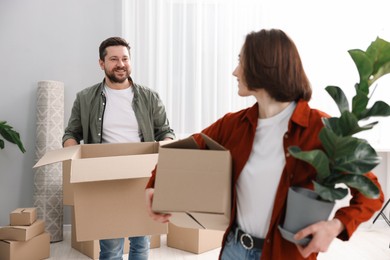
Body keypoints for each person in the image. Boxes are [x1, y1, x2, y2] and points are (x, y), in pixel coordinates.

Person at [144, 29, 384, 260]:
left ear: (264, 66)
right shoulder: (233, 125)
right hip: (234, 250)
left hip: (285, 255)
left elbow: (371, 193)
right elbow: (181, 151)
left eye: (241, 62)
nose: (235, 72)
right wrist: (154, 187)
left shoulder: (323, 130)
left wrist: (334, 226)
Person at [63, 36, 175, 260]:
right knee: (111, 247)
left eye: (125, 58)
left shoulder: (150, 97)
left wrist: (167, 148)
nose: (121, 64)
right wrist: (74, 153)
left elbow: (165, 131)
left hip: (141, 175)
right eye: (113, 59)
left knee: (141, 243)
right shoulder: (85, 98)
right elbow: (71, 134)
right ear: (101, 63)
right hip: (105, 176)